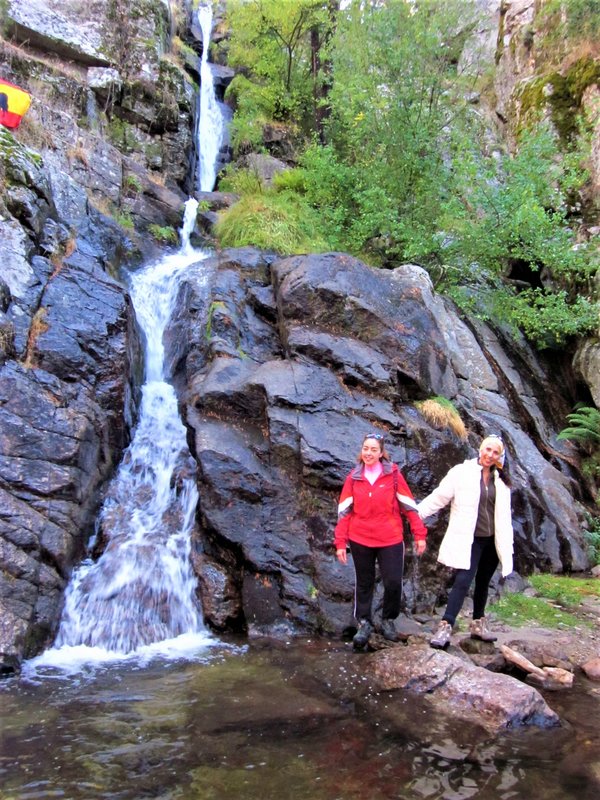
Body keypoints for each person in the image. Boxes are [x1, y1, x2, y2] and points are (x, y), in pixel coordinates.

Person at [417, 435, 514, 649]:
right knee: (463, 581)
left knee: (483, 582)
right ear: (480, 449)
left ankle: (478, 624)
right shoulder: (461, 473)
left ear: (500, 457)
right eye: (487, 449)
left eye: (495, 452)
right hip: (471, 539)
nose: (490, 455)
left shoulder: (502, 480)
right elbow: (439, 497)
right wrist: (417, 514)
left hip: (493, 540)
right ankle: (446, 625)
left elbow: (504, 514)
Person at [334, 433, 427, 649]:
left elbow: (409, 506)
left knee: (393, 582)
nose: (368, 453)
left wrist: (419, 534)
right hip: (360, 538)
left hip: (390, 538)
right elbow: (344, 512)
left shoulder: (393, 475)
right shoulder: (353, 477)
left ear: (381, 452)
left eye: (373, 449)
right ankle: (364, 623)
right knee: (364, 583)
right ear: (362, 451)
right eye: (366, 448)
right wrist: (341, 542)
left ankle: (388, 620)